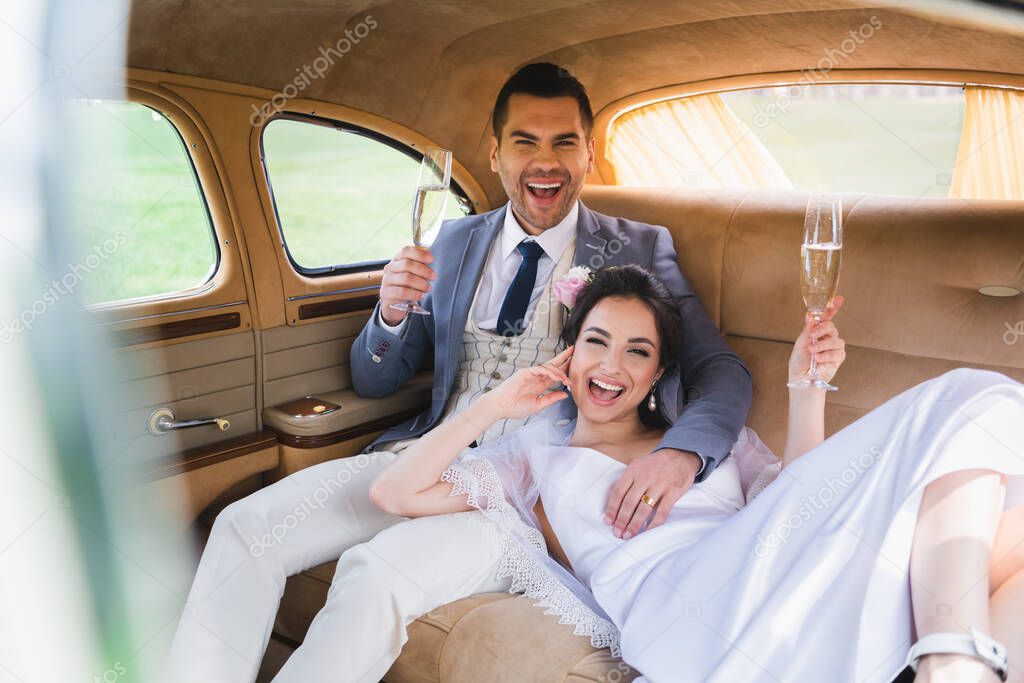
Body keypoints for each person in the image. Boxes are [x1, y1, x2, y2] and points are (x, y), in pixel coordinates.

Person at [160, 63, 751, 682]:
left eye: (564, 142)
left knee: (376, 574)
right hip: (421, 458)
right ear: (495, 154)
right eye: (525, 141)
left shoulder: (640, 247)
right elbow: (376, 382)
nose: (544, 162)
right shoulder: (452, 240)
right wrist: (388, 314)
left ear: (589, 153)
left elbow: (723, 372)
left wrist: (683, 456)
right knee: (243, 527)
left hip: (521, 499)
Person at [371, 264, 1024, 683]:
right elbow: (393, 490)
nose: (611, 365)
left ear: (657, 374)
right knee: (975, 391)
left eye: (638, 351)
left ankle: (958, 664)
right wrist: (494, 405)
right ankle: (953, 658)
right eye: (596, 341)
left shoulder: (713, 444)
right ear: (570, 355)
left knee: (1001, 475)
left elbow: (803, 497)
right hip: (679, 608)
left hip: (765, 573)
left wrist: (809, 386)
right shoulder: (533, 459)